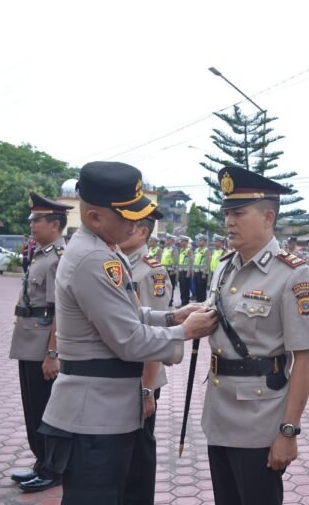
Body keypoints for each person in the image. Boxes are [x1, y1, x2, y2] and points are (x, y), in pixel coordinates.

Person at [39, 161, 217, 503]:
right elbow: (128, 341)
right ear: (94, 217)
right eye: (126, 215)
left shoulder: (101, 249)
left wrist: (172, 317)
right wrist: (185, 332)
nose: (135, 223)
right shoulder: (93, 258)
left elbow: (128, 314)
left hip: (104, 412)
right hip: (94, 418)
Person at [202, 166, 309, 505]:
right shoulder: (224, 266)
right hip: (219, 411)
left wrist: (288, 431)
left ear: (268, 217)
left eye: (239, 213)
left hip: (260, 419)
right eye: (227, 213)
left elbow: (305, 359)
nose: (229, 222)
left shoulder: (292, 273)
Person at [9, 192, 73, 493]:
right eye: (33, 220)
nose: (32, 225)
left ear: (55, 224)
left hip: (42, 345)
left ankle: (53, 469)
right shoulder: (41, 253)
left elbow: (61, 310)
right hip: (27, 341)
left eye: (38, 220)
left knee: (48, 410)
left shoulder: (59, 259)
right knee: (33, 408)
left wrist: (52, 353)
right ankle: (41, 462)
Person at [118, 213, 172, 505]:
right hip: (121, 374)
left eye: (130, 226)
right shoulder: (118, 263)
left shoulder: (151, 272)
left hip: (142, 377)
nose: (123, 229)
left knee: (138, 451)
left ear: (142, 233)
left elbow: (155, 333)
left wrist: (147, 389)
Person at [160, 233, 178, 307]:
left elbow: (175, 260)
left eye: (168, 239)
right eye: (166, 239)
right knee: (164, 286)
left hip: (170, 271)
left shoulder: (174, 249)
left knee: (170, 286)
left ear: (172, 240)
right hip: (164, 269)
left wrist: (173, 270)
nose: (166, 241)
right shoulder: (165, 249)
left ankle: (170, 301)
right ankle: (165, 300)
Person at [193, 233, 211, 303]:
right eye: (197, 240)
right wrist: (194, 271)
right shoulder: (197, 250)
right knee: (197, 287)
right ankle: (198, 301)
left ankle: (202, 302)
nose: (198, 242)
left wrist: (205, 272)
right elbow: (195, 261)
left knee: (202, 288)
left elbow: (207, 262)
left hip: (202, 272)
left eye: (200, 240)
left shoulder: (206, 250)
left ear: (204, 241)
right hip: (197, 271)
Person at [177, 235, 193, 306]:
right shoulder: (181, 250)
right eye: (181, 241)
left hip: (186, 271)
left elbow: (191, 262)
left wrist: (189, 272)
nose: (181, 243)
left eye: (182, 241)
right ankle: (182, 302)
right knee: (181, 287)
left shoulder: (188, 250)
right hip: (181, 271)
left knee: (185, 288)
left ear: (186, 242)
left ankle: (185, 302)